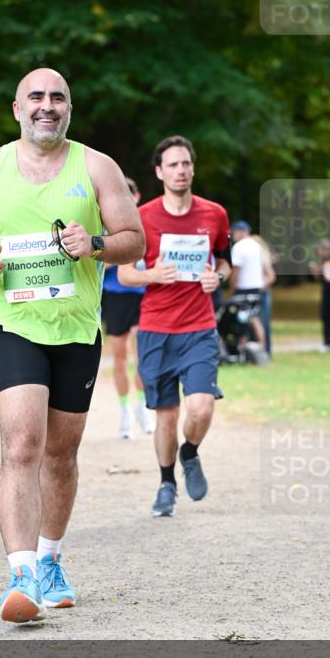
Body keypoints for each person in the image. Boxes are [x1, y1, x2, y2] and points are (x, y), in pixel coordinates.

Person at [0, 67, 145, 624]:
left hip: (77, 327)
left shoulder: (97, 167)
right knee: (22, 446)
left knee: (61, 454)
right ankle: (22, 573)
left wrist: (95, 243)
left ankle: (51, 558)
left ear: (69, 109)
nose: (46, 105)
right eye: (35, 96)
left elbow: (134, 241)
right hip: (13, 323)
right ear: (17, 109)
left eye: (58, 97)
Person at [117, 136, 231, 518]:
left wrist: (218, 277)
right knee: (166, 415)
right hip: (156, 328)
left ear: (193, 169)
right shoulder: (142, 217)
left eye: (185, 164)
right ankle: (166, 484)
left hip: (199, 327)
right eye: (172, 165)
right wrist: (151, 274)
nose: (180, 171)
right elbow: (125, 273)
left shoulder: (215, 214)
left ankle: (190, 452)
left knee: (200, 409)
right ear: (159, 172)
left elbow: (224, 261)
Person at [102, 177, 154, 438]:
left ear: (137, 196)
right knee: (120, 356)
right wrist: (117, 253)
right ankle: (124, 411)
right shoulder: (106, 225)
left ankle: (141, 407)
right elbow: (97, 262)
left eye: (129, 195)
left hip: (143, 295)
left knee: (141, 353)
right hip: (115, 296)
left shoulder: (148, 223)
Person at [229, 221, 266, 350]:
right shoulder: (257, 246)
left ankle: (242, 347)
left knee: (243, 318)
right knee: (254, 317)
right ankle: (262, 346)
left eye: (233, 232)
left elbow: (236, 271)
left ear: (240, 232)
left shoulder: (238, 247)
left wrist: (232, 288)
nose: (232, 235)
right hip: (257, 287)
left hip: (243, 288)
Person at [309, 238, 330, 352]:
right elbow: (321, 278)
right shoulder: (322, 261)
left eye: (321, 250)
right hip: (326, 292)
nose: (320, 252)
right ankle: (327, 342)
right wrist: (316, 271)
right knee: (325, 316)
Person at [252, 233, 276, 357]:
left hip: (262, 293)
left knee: (263, 323)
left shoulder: (262, 258)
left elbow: (271, 277)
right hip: (261, 293)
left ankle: (266, 351)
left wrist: (259, 287)